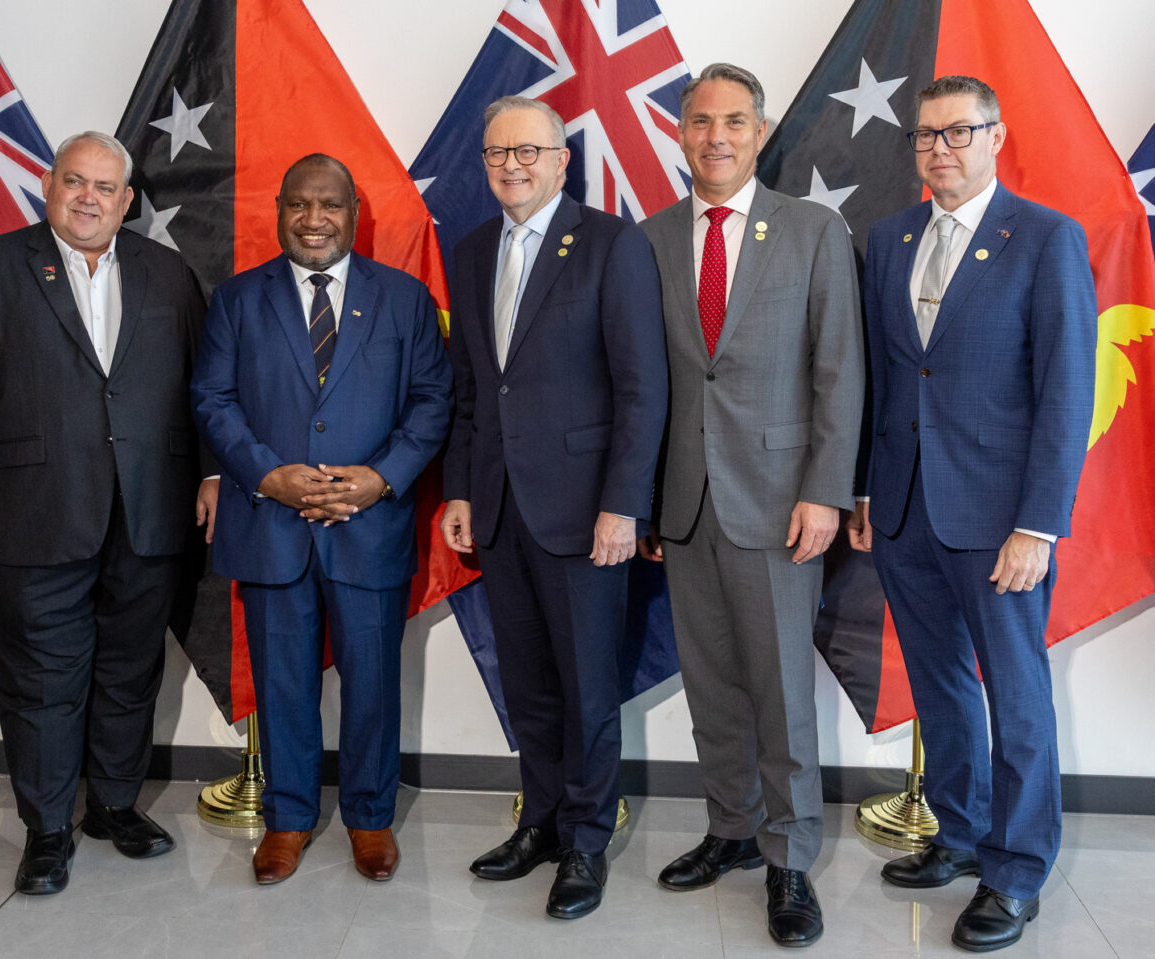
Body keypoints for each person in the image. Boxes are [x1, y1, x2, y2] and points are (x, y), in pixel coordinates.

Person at [0, 131, 214, 895]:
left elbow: (203, 384)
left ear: (126, 202)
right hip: (31, 511)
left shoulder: (167, 272)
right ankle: (47, 827)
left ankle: (114, 803)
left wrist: (213, 471)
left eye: (105, 187)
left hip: (148, 510)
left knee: (129, 669)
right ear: (48, 186)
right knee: (42, 679)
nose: (89, 197)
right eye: (74, 181)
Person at [848, 75, 1095, 953]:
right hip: (906, 508)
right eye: (925, 136)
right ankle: (959, 832)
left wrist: (1039, 523)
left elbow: (1067, 390)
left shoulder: (1045, 238)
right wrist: (870, 491)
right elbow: (883, 376)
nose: (939, 150)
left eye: (958, 133)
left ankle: (1016, 869)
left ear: (995, 136)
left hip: (1000, 520)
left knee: (1017, 695)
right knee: (940, 682)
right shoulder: (889, 237)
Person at [640, 63, 863, 947]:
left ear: (762, 132)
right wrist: (646, 499)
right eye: (700, 121)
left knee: (780, 689)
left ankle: (790, 857)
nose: (717, 137)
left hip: (780, 504)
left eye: (735, 120)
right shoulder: (651, 238)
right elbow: (644, 381)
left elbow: (839, 371)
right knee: (713, 685)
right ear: (680, 132)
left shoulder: (812, 229)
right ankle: (731, 829)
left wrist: (824, 491)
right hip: (685, 504)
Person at [191, 154, 451, 886]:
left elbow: (434, 400)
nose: (313, 219)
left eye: (329, 204)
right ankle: (289, 817)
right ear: (279, 211)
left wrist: (380, 478)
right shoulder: (238, 299)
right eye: (299, 204)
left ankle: (370, 818)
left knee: (372, 682)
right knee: (283, 684)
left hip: (368, 527)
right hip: (270, 525)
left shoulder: (403, 299)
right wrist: (266, 473)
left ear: (354, 212)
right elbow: (211, 397)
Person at [440, 96, 668, 920]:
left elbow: (643, 390)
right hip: (499, 508)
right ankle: (537, 819)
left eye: (529, 152)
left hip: (585, 514)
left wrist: (624, 506)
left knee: (587, 686)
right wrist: (461, 488)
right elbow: (471, 387)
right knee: (529, 683)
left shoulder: (611, 244)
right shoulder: (468, 253)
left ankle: (584, 840)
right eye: (498, 154)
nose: (513, 166)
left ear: (562, 158)